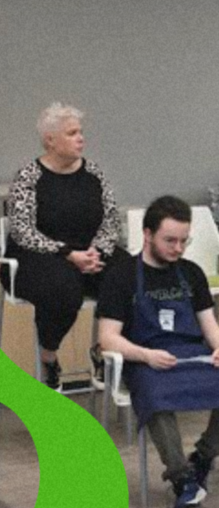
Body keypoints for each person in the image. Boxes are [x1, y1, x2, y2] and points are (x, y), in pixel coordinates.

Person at [97, 196, 219, 508]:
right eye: (170, 240)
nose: (178, 248)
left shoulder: (191, 273)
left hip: (191, 354)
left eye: (184, 241)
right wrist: (145, 355)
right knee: (156, 396)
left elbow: (209, 324)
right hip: (144, 357)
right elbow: (108, 338)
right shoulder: (122, 276)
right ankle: (181, 478)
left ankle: (203, 458)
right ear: (147, 234)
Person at [3, 103, 128, 390]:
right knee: (63, 288)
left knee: (128, 274)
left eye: (80, 132)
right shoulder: (28, 176)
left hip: (88, 250)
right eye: (72, 133)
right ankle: (49, 358)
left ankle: (103, 349)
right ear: (50, 140)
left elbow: (111, 219)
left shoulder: (93, 172)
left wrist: (98, 251)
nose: (81, 138)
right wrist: (68, 254)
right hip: (38, 255)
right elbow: (22, 230)